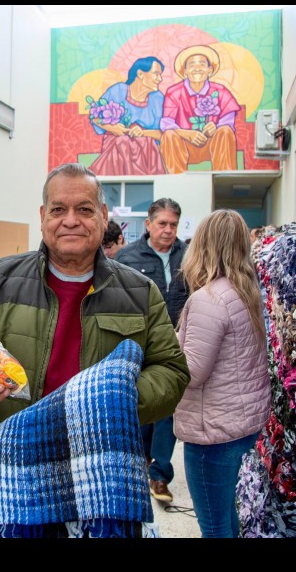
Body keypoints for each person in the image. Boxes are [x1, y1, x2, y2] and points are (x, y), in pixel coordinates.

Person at [0, 163, 190, 532]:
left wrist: (116, 400)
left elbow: (172, 370)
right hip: (14, 472)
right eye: (59, 209)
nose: (71, 220)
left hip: (102, 476)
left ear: (103, 216)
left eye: (84, 209)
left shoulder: (140, 292)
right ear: (43, 216)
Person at [174, 209, 269, 538]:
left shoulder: (208, 299)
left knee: (215, 527)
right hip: (240, 424)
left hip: (212, 432)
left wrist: (162, 354)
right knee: (227, 516)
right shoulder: (247, 291)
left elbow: (192, 372)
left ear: (203, 245)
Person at [115, 198, 190, 505]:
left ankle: (160, 474)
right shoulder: (127, 257)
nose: (168, 230)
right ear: (148, 224)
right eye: (162, 224)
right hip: (139, 343)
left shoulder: (188, 256)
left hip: (176, 345)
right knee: (143, 403)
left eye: (173, 224)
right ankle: (143, 459)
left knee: (169, 405)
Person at [159, 45, 242, 174]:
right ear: (185, 71)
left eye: (202, 64)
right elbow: (166, 123)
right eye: (192, 65)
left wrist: (216, 127)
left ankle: (224, 178)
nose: (197, 68)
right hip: (184, 146)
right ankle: (176, 181)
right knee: (168, 135)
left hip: (213, 146)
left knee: (225, 131)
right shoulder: (174, 92)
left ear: (210, 70)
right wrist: (187, 134)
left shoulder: (220, 91)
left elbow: (228, 120)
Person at [89, 56, 166, 176]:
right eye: (156, 74)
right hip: (116, 144)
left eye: (160, 75)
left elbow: (162, 134)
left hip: (146, 149)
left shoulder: (158, 98)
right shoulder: (118, 90)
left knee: (139, 142)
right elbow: (95, 117)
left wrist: (142, 132)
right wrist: (112, 127)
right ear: (140, 74)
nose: (160, 79)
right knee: (123, 141)